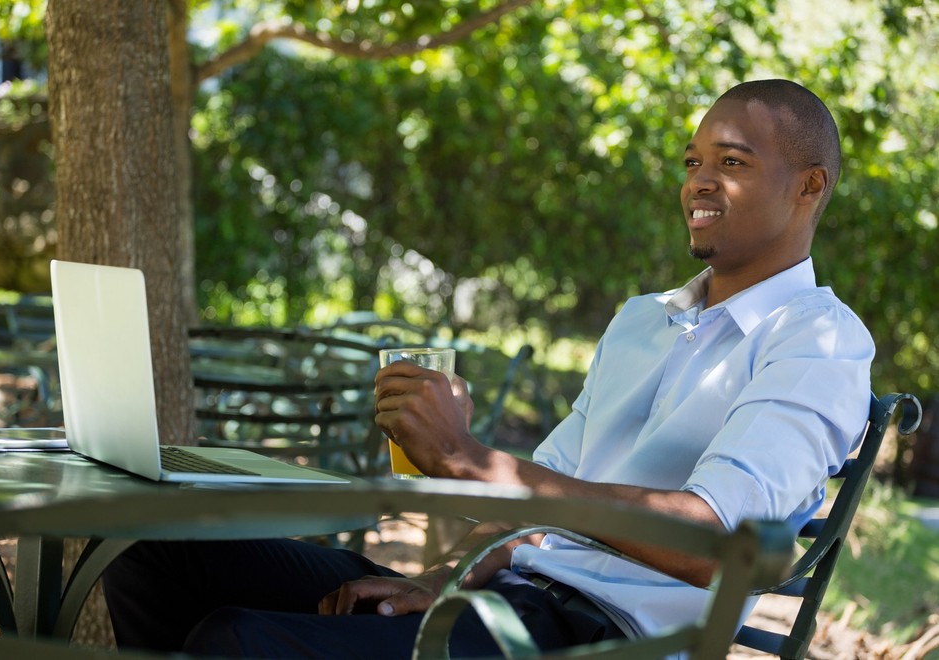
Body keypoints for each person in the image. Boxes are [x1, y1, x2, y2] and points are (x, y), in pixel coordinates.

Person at [102, 79, 873, 657]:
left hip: (591, 637)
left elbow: (718, 545)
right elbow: (545, 495)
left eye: (730, 162)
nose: (698, 181)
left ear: (811, 186)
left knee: (238, 641)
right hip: (497, 601)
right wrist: (441, 576)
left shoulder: (817, 344)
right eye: (693, 161)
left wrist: (471, 459)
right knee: (159, 548)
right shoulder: (645, 319)